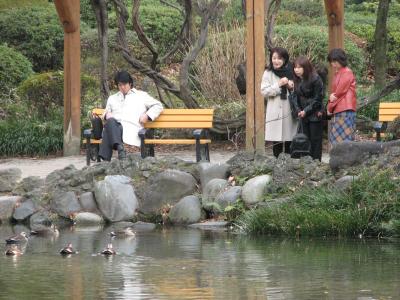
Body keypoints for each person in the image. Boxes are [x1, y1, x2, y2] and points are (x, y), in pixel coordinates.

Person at [98, 71, 163, 161]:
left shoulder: (141, 95)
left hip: (132, 128)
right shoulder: (112, 98)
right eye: (120, 85)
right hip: (116, 127)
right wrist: (106, 115)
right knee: (110, 122)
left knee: (108, 129)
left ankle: (105, 160)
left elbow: (158, 105)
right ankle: (120, 148)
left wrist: (147, 116)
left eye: (125, 84)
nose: (123, 87)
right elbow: (105, 112)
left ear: (130, 83)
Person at [261, 47, 298, 157]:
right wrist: (278, 84)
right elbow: (264, 91)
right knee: (276, 141)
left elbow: (300, 89)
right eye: (274, 58)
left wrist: (291, 87)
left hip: (289, 110)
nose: (276, 61)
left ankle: (288, 166)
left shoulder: (292, 71)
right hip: (274, 110)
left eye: (279, 58)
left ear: (285, 59)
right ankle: (277, 166)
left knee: (289, 140)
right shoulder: (268, 73)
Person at [292, 56, 324, 161]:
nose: (296, 70)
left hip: (315, 114)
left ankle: (316, 162)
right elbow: (295, 97)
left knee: (315, 140)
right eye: (295, 67)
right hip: (303, 113)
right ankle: (306, 162)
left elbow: (318, 99)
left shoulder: (316, 78)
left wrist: (306, 111)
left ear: (306, 67)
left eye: (299, 67)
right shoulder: (297, 79)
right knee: (304, 140)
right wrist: (298, 110)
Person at [327, 48, 357, 145]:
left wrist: (329, 107)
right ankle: (341, 159)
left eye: (335, 61)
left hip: (345, 109)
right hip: (341, 108)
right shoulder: (339, 72)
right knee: (341, 138)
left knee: (341, 140)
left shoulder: (346, 72)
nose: (333, 64)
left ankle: (344, 160)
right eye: (332, 61)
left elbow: (339, 93)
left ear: (341, 60)